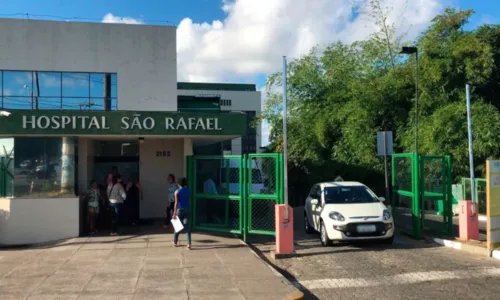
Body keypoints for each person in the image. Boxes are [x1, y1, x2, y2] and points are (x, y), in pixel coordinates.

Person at [172, 177, 191, 249]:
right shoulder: (188, 191)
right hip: (187, 209)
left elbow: (176, 203)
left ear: (179, 183)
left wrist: (174, 213)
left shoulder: (177, 191)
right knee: (187, 228)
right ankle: (188, 244)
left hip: (179, 210)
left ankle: (175, 242)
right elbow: (188, 199)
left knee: (177, 227)